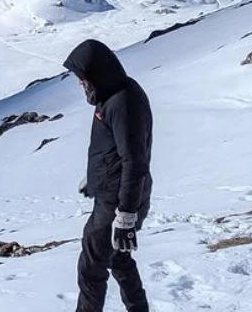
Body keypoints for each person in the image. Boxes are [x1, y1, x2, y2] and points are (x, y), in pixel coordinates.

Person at [64, 39, 153, 312]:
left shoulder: (121, 102)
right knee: (119, 260)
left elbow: (133, 160)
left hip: (116, 201)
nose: (81, 84)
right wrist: (94, 177)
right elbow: (114, 150)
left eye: (83, 78)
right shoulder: (114, 94)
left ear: (97, 73)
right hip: (115, 192)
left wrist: (125, 216)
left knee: (91, 267)